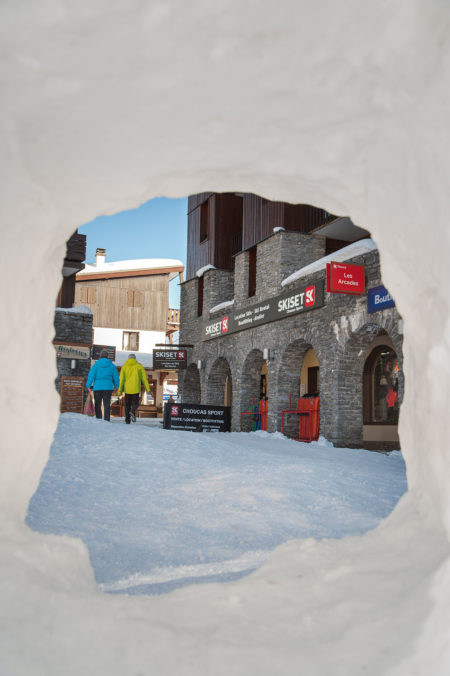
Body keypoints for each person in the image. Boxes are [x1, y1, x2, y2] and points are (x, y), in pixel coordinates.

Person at [86, 349, 120, 421]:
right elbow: (116, 377)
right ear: (107, 356)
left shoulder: (96, 365)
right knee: (106, 404)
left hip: (97, 387)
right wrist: (117, 386)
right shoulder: (112, 365)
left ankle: (99, 419)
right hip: (108, 387)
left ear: (100, 356)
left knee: (97, 404)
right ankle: (107, 419)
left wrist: (88, 385)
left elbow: (91, 375)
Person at [118, 353, 150, 424]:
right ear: (135, 359)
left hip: (127, 389)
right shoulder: (139, 366)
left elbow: (121, 380)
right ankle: (132, 411)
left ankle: (127, 420)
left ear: (128, 359)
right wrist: (148, 388)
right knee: (136, 403)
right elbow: (144, 379)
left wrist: (120, 390)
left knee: (127, 405)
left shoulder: (124, 367)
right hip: (136, 389)